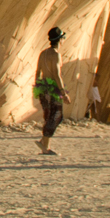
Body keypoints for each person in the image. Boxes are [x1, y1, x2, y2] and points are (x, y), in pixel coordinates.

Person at [34, 26, 69, 155]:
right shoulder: (56, 55)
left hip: (43, 86)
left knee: (48, 115)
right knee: (56, 116)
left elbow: (38, 72)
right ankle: (43, 140)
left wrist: (38, 88)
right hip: (53, 88)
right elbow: (56, 74)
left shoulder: (43, 53)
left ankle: (45, 147)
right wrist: (63, 92)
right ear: (60, 40)